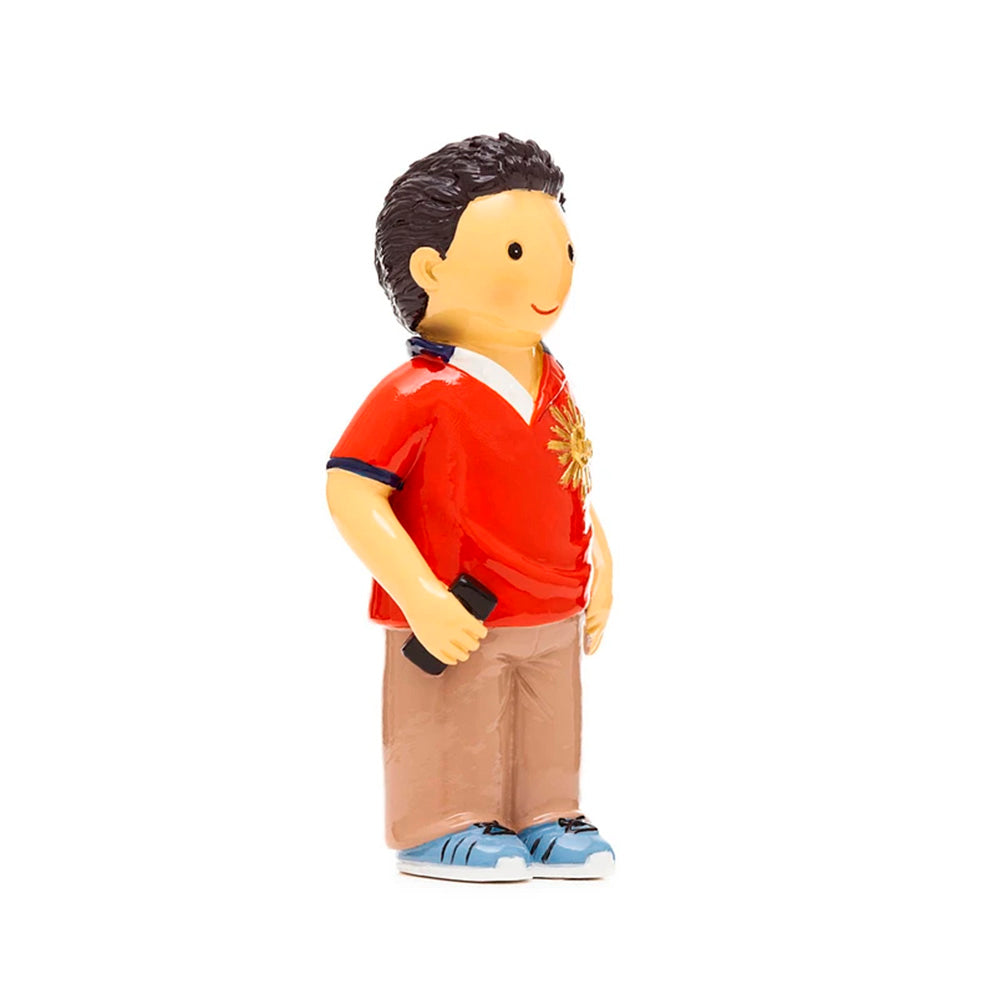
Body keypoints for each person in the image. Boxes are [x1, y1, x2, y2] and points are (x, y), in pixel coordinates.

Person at [325, 134, 615, 881]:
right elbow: (351, 488)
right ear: (432, 269)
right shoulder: (420, 392)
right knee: (450, 715)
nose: (552, 274)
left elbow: (571, 474)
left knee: (549, 718)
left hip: (552, 600)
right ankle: (440, 821)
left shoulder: (552, 378)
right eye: (517, 253)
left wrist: (599, 559)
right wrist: (419, 595)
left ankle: (544, 811)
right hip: (461, 606)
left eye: (562, 250)